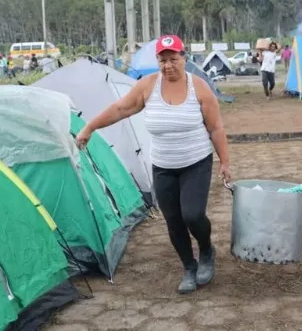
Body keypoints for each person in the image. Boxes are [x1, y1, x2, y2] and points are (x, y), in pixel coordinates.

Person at [75, 35, 231, 294]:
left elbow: (215, 127)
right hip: (163, 166)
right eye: (162, 60)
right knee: (173, 221)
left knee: (192, 215)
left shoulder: (200, 88)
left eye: (173, 59)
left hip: (196, 163)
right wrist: (89, 127)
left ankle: (206, 250)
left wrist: (225, 161)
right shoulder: (147, 86)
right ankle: (189, 267)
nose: (168, 65)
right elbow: (120, 109)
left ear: (184, 58)